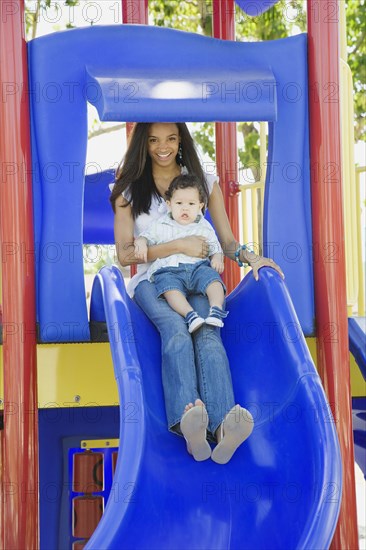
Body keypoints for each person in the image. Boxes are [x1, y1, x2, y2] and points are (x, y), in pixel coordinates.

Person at [110, 122, 284, 464]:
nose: (163, 147)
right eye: (154, 140)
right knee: (176, 330)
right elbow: (125, 253)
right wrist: (178, 245)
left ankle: (221, 428)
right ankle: (188, 419)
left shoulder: (203, 182)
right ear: (143, 144)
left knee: (208, 330)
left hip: (195, 275)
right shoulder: (129, 189)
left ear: (180, 141)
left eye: (171, 138)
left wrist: (252, 258)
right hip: (152, 280)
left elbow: (228, 241)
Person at [134, 174, 228, 333]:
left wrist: (217, 258)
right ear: (169, 204)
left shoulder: (203, 226)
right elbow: (146, 236)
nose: (185, 208)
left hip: (198, 267)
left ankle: (216, 309)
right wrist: (141, 242)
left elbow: (214, 246)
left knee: (213, 280)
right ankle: (190, 315)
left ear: (200, 206)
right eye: (179, 203)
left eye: (191, 204)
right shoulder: (161, 224)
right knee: (170, 290)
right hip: (169, 270)